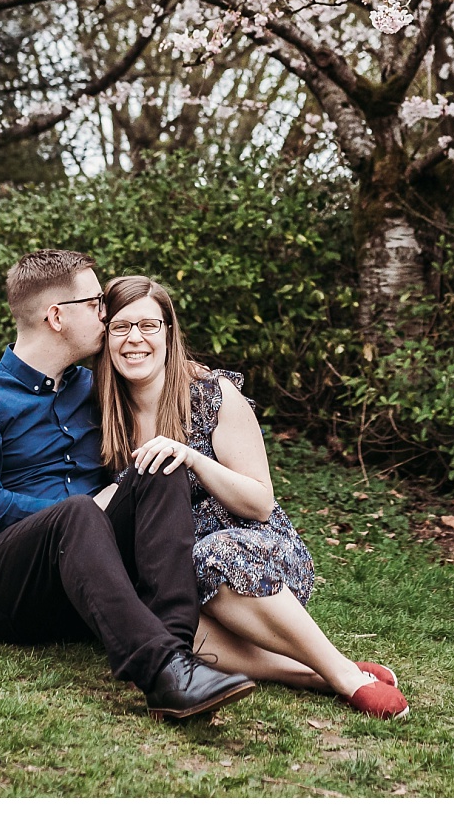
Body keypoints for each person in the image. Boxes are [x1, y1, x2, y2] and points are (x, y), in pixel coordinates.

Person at [0, 249, 255, 720]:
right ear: (56, 316)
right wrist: (85, 505)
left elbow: (151, 369)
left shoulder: (93, 386)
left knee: (161, 462)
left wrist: (194, 375)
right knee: (78, 510)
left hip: (82, 575)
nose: (105, 315)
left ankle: (177, 654)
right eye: (95, 303)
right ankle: (158, 670)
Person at [93, 274, 410, 718]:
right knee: (166, 626)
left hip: (256, 552)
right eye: (121, 328)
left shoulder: (211, 395)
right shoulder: (105, 412)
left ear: (169, 332)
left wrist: (192, 459)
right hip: (175, 568)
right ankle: (310, 673)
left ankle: (345, 676)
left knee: (212, 554)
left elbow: (260, 502)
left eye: (148, 326)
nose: (135, 340)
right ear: (105, 338)